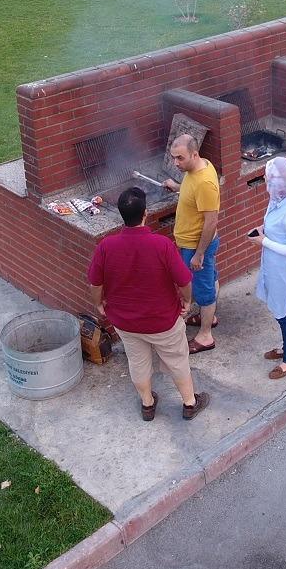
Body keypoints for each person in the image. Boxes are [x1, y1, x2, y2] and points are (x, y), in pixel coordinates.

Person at [88, 187, 210, 421]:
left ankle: (147, 404)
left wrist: (99, 304)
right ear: (145, 213)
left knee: (137, 362)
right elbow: (184, 280)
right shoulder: (162, 245)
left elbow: (95, 282)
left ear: (122, 215)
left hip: (125, 322)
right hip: (163, 321)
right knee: (177, 361)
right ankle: (189, 403)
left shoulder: (106, 246)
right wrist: (187, 300)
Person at [161, 134, 220, 353]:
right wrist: (177, 187)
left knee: (203, 291)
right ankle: (210, 317)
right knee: (210, 280)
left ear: (194, 154)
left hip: (196, 246)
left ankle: (205, 336)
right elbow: (191, 189)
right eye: (173, 157)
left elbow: (211, 221)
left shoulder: (204, 183)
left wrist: (199, 254)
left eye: (180, 158)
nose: (176, 163)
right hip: (194, 245)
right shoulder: (197, 168)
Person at [248, 158, 286, 380]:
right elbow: (275, 224)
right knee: (280, 310)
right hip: (274, 267)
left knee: (285, 314)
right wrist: (263, 229)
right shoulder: (278, 199)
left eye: (268, 177)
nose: (265, 179)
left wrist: (263, 241)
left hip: (285, 272)